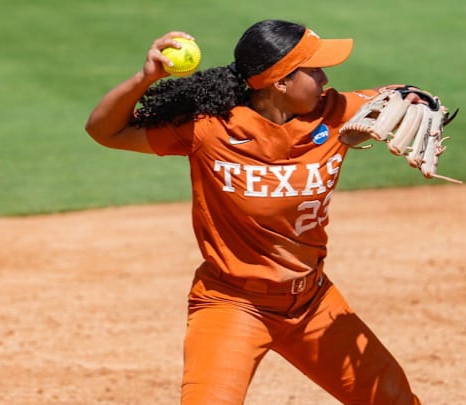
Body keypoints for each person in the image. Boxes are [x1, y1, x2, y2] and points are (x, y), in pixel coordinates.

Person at [85, 19, 423, 405]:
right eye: (313, 70)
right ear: (280, 82)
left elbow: (395, 95)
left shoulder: (335, 113)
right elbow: (104, 131)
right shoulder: (209, 129)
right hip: (232, 305)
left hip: (312, 304)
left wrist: (416, 97)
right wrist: (146, 78)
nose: (325, 77)